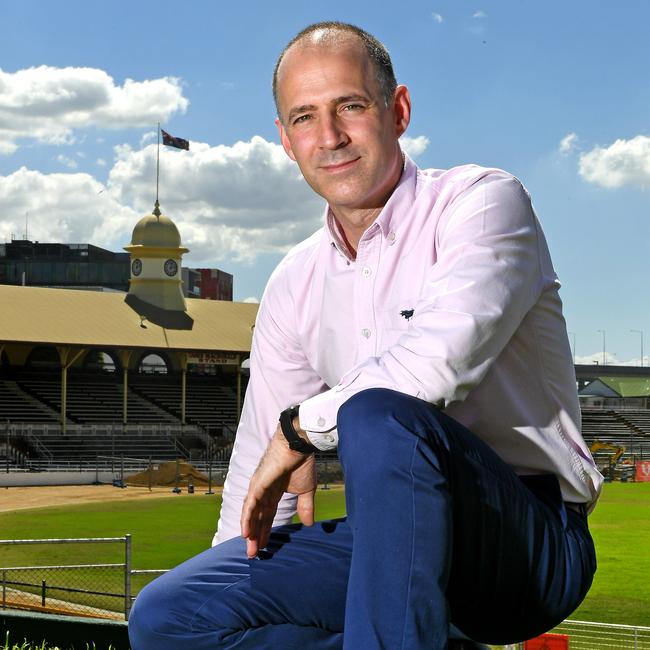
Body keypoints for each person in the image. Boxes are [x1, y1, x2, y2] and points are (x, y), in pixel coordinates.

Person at [128, 21, 602, 649]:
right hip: (391, 540)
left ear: (398, 110)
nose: (329, 137)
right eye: (304, 117)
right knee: (168, 616)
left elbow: (432, 369)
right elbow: (257, 460)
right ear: (284, 140)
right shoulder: (295, 281)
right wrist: (233, 572)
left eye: (350, 105)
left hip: (526, 541)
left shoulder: (483, 203)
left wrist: (301, 428)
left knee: (381, 417)